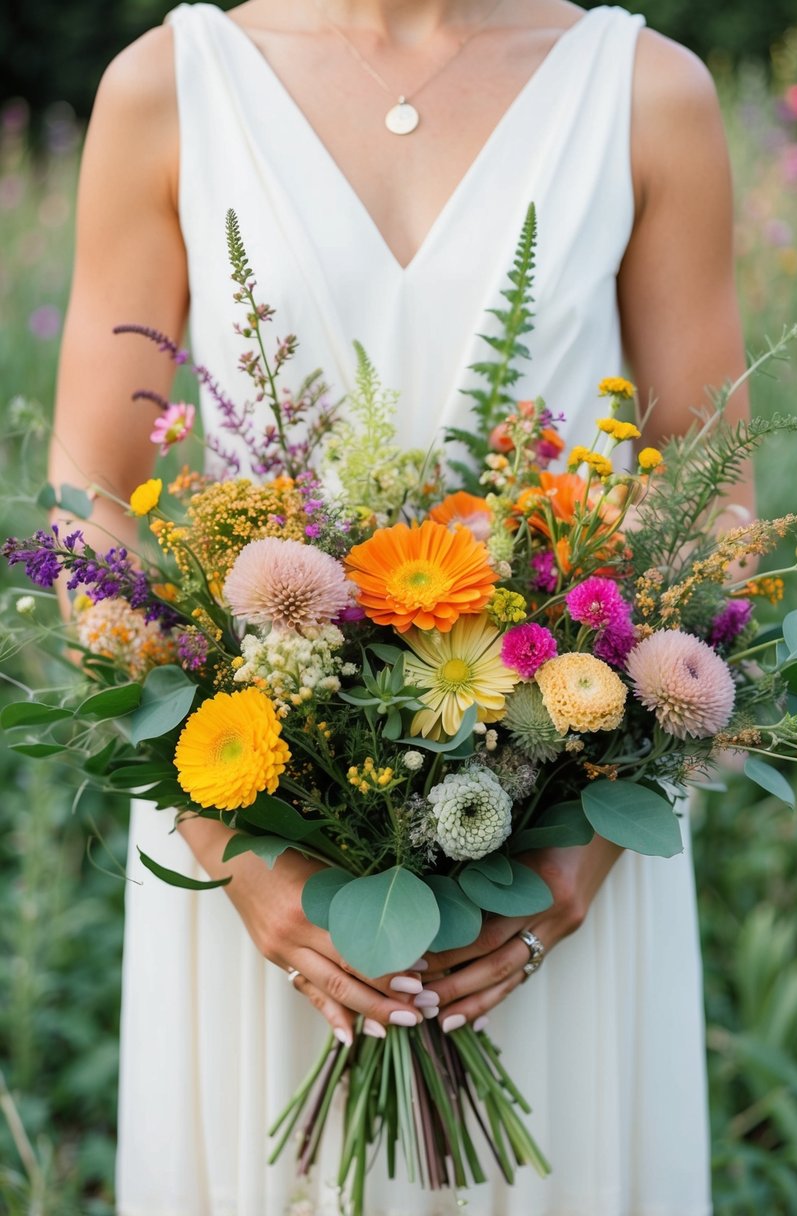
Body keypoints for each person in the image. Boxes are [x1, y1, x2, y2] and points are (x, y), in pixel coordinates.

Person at [50, 0, 754, 1212]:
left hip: (559, 880)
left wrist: (586, 844)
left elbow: (716, 501)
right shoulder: (171, 84)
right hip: (261, 882)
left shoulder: (646, 93)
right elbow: (94, 501)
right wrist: (229, 847)